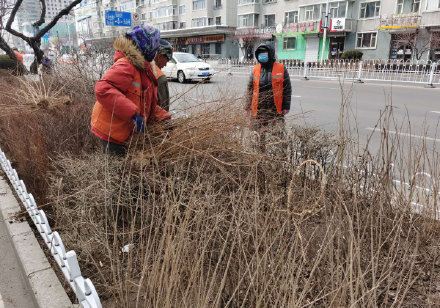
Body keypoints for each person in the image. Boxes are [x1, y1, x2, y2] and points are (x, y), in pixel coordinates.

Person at [90, 25, 171, 156]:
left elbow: (146, 103)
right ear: (147, 46)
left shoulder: (144, 69)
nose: (156, 51)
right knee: (119, 169)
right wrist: (133, 115)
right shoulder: (127, 65)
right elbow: (102, 89)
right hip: (110, 131)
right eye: (155, 46)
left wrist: (164, 118)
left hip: (122, 129)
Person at [245, 41, 292, 153]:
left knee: (278, 136)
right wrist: (247, 107)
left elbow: (287, 88)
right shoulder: (256, 69)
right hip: (259, 110)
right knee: (259, 136)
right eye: (260, 53)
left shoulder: (281, 68)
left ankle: (280, 157)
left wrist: (286, 106)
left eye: (264, 52)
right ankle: (261, 156)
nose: (262, 55)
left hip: (275, 110)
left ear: (270, 53)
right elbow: (250, 89)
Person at [152, 39, 173, 111]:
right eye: (167, 60)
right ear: (159, 56)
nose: (165, 65)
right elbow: (163, 107)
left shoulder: (143, 68)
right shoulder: (160, 77)